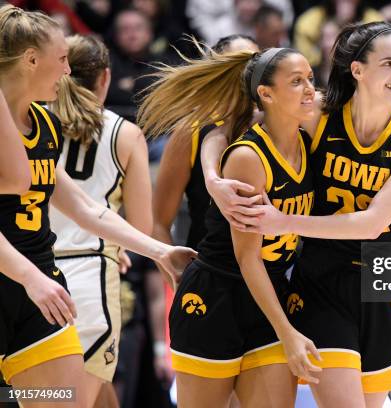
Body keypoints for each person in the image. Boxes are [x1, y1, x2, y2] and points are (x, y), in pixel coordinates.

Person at [204, 21, 391, 408]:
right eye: (389, 64)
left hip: (386, 275)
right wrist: (213, 178)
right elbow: (228, 125)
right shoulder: (320, 115)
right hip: (324, 276)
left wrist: (283, 221)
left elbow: (372, 222)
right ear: (358, 70)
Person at [0, 5, 195, 402]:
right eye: (61, 60)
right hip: (33, 277)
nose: (67, 72)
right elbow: (19, 180)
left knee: (59, 399)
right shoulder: (123, 133)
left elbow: (86, 208)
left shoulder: (45, 122)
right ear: (31, 60)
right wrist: (29, 277)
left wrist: (161, 252)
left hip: (46, 287)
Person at [138, 44, 322, 407]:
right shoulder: (244, 152)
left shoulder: (307, 134)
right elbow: (245, 256)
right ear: (263, 91)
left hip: (270, 291)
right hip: (216, 291)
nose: (310, 90)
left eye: (311, 80)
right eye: (298, 81)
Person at [46, 34, 152, 408]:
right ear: (105, 78)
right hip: (88, 280)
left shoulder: (31, 122)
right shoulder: (124, 133)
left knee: (40, 394)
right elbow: (142, 224)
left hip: (30, 269)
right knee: (68, 399)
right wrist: (117, 244)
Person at [153, 34, 259, 251]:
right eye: (239, 63)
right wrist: (177, 273)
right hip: (210, 271)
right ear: (217, 71)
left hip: (272, 270)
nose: (248, 70)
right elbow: (158, 224)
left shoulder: (277, 122)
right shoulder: (191, 131)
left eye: (255, 62)